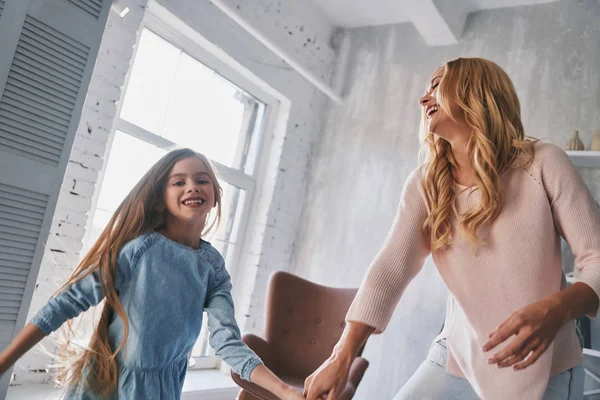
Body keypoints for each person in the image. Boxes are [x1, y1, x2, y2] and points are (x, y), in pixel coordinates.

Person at [303, 57, 600, 400]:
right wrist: (341, 357)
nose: (423, 98)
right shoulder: (425, 185)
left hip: (546, 365)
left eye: (436, 84)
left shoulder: (543, 162)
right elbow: (389, 272)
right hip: (455, 357)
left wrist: (557, 310)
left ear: (476, 91)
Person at [0, 148, 304, 400]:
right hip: (105, 386)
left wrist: (286, 392)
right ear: (159, 199)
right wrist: (4, 362)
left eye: (202, 180)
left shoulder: (213, 268)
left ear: (215, 195)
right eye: (178, 182)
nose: (192, 186)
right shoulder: (139, 251)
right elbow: (66, 303)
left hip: (161, 390)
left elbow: (226, 340)